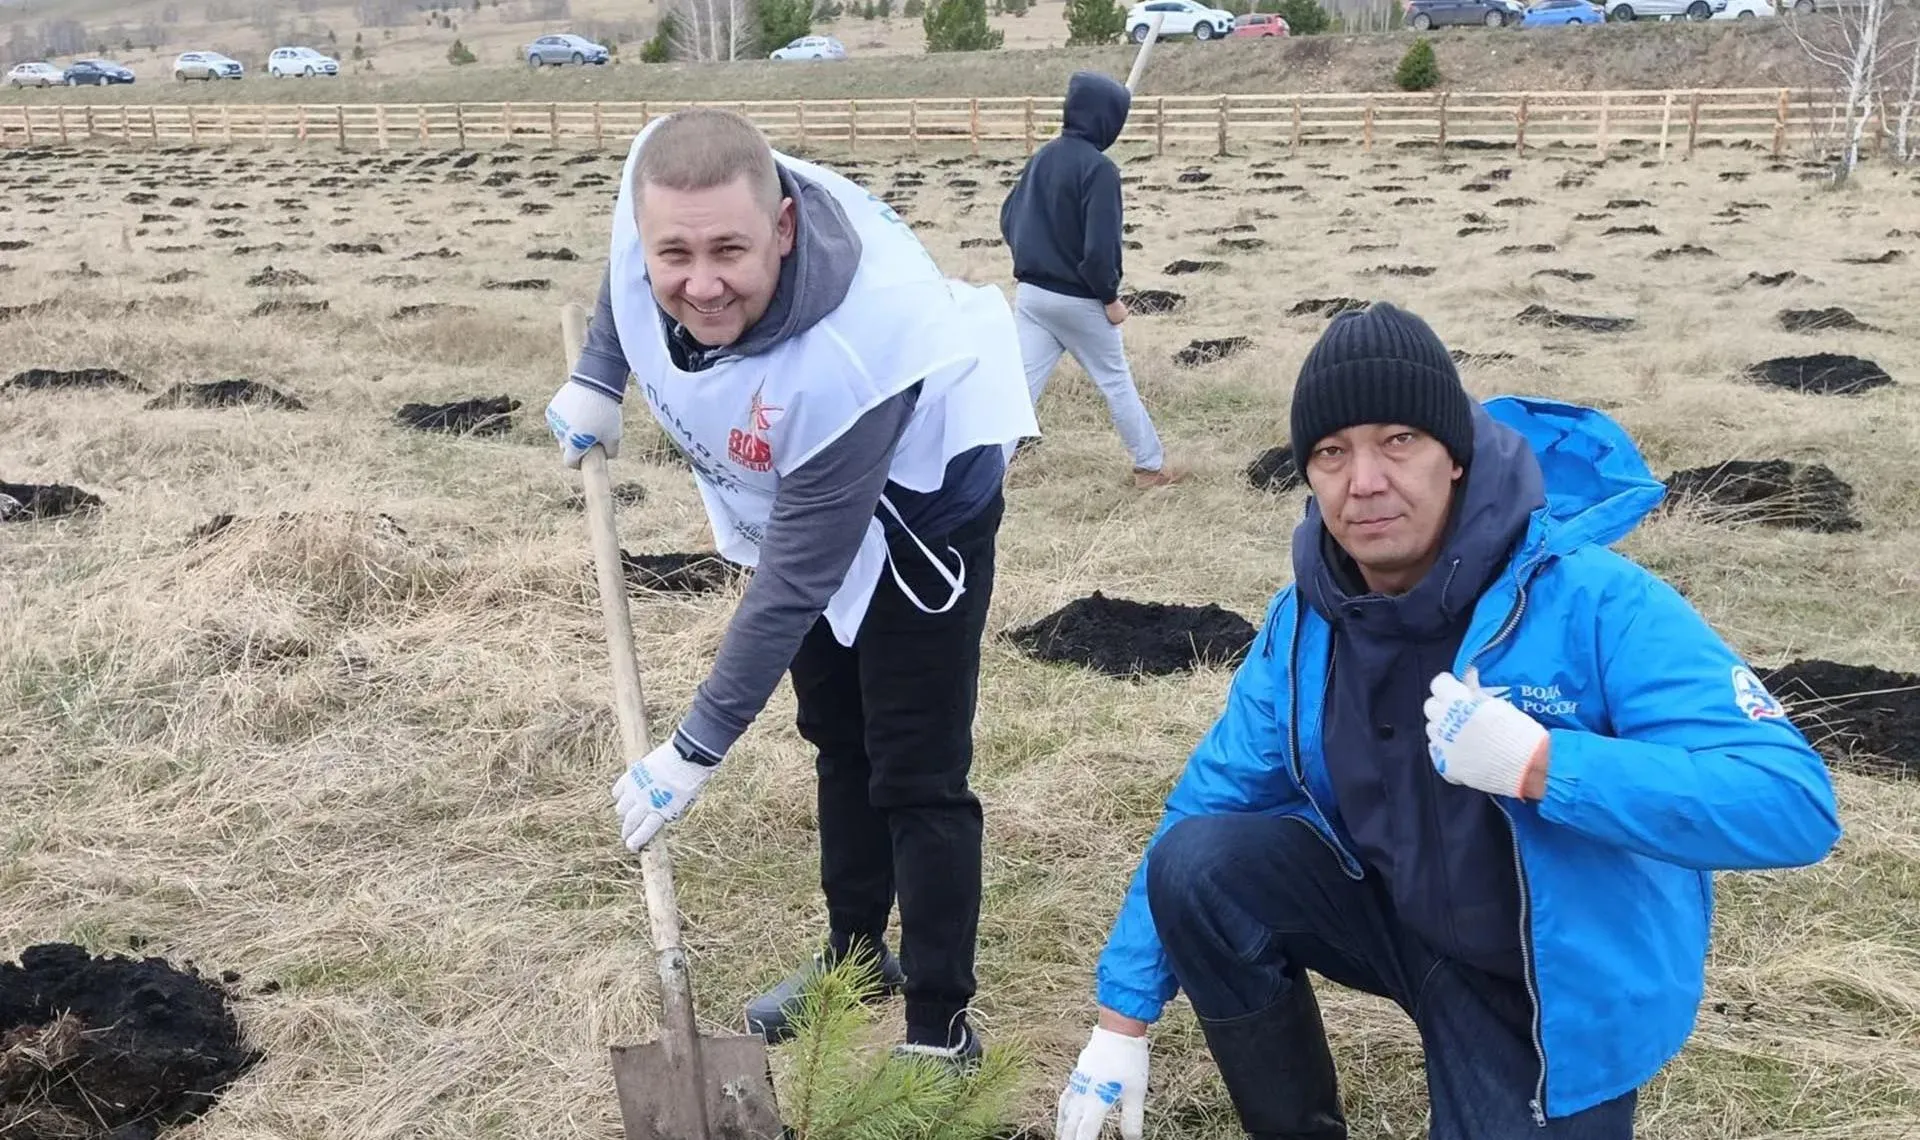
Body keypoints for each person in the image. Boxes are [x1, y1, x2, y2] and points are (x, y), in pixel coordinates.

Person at [1052, 302, 1843, 1140]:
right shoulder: (1308, 618)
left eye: (1399, 440)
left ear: (1454, 456)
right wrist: (1121, 1018)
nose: (1364, 482)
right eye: (1331, 452)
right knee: (1200, 863)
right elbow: (1211, 799)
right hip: (1396, 916)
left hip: (1540, 982)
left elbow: (1790, 801)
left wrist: (1543, 764)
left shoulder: (1594, 601)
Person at [544, 106, 1038, 1064]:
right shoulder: (658, 187)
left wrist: (692, 750)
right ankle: (855, 960)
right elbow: (625, 276)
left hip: (918, 514)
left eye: (730, 249)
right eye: (674, 254)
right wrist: (600, 374)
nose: (700, 281)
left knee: (915, 772)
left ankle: (941, 1030)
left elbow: (799, 576)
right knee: (837, 739)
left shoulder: (860, 348)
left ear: (783, 229)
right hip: (802, 495)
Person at [999, 71, 1183, 489]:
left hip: (1031, 297)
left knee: (1018, 389)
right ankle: (1150, 468)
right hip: (1078, 301)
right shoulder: (1100, 170)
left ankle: (981, 471)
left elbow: (1008, 217)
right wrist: (1110, 297)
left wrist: (1034, 257)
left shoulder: (1041, 158)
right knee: (1115, 381)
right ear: (1107, 120)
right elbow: (1100, 250)